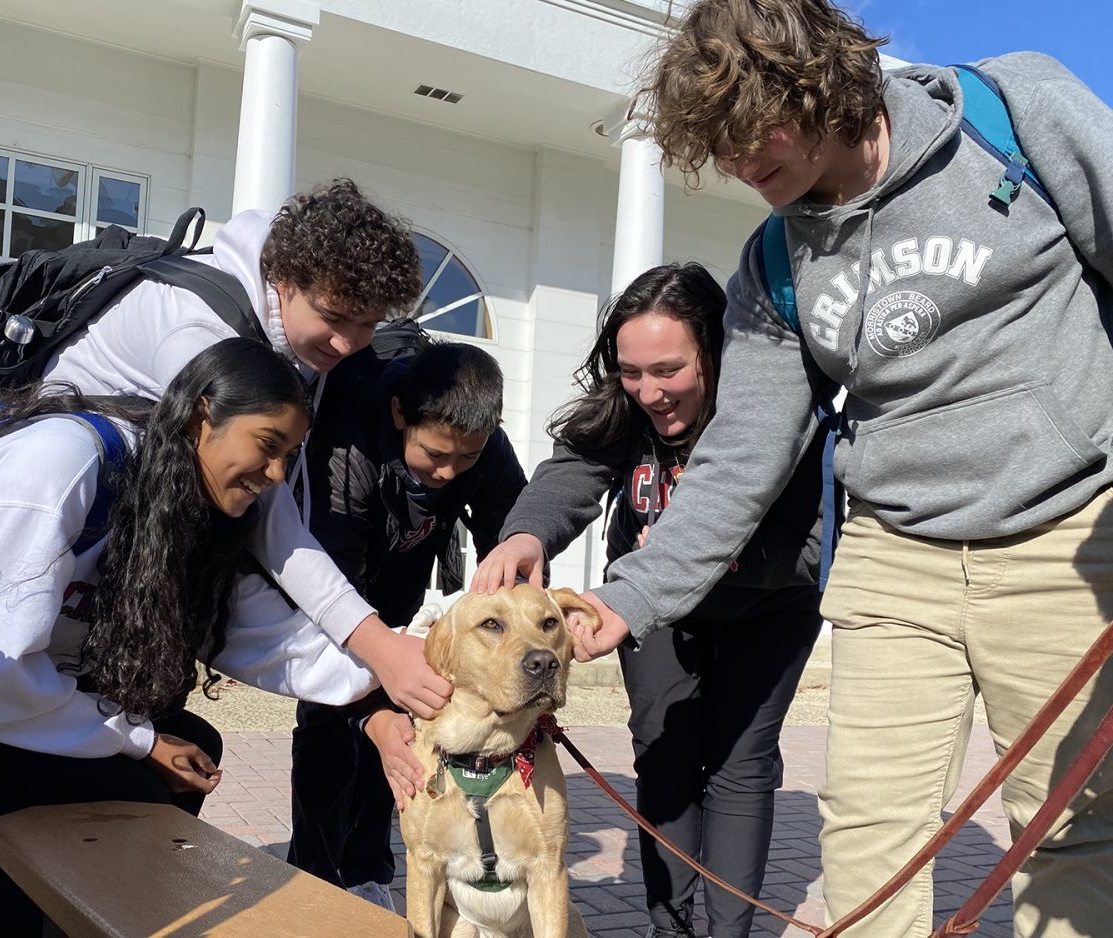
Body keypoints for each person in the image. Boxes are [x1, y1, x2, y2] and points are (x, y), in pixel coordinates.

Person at [563, 3, 1113, 936]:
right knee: (867, 832)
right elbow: (740, 456)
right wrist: (635, 592)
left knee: (1067, 827)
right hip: (895, 552)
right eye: (719, 148)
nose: (742, 164)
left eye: (754, 131)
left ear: (819, 80)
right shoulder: (774, 262)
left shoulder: (1013, 112)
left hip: (1062, 530)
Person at [0, 338, 381, 937]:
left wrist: (386, 684)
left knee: (189, 741)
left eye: (290, 455)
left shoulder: (176, 498)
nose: (276, 476)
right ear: (200, 415)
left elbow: (254, 632)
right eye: (267, 446)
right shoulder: (64, 463)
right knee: (140, 791)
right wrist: (135, 742)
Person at [472, 263, 823, 938]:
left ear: (716, 353)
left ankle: (726, 931)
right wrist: (525, 533)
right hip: (651, 610)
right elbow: (572, 472)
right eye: (632, 372)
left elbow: (810, 543)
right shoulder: (627, 411)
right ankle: (671, 926)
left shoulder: (768, 415)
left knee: (738, 765)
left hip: (768, 606)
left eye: (669, 369)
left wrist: (709, 558)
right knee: (661, 753)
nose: (650, 392)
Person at [43, 179, 453, 721]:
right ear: (282, 281)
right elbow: (271, 520)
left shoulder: (293, 332)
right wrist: (377, 645)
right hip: (72, 539)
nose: (349, 344)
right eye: (334, 318)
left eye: (368, 325)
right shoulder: (199, 334)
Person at [288, 340, 528, 908]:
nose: (447, 473)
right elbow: (327, 590)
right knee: (329, 726)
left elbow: (514, 535)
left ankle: (369, 873)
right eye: (433, 455)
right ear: (401, 414)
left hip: (400, 581)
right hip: (335, 586)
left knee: (399, 735)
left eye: (465, 459)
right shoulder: (347, 447)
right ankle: (312, 879)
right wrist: (369, 700)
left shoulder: (481, 445)